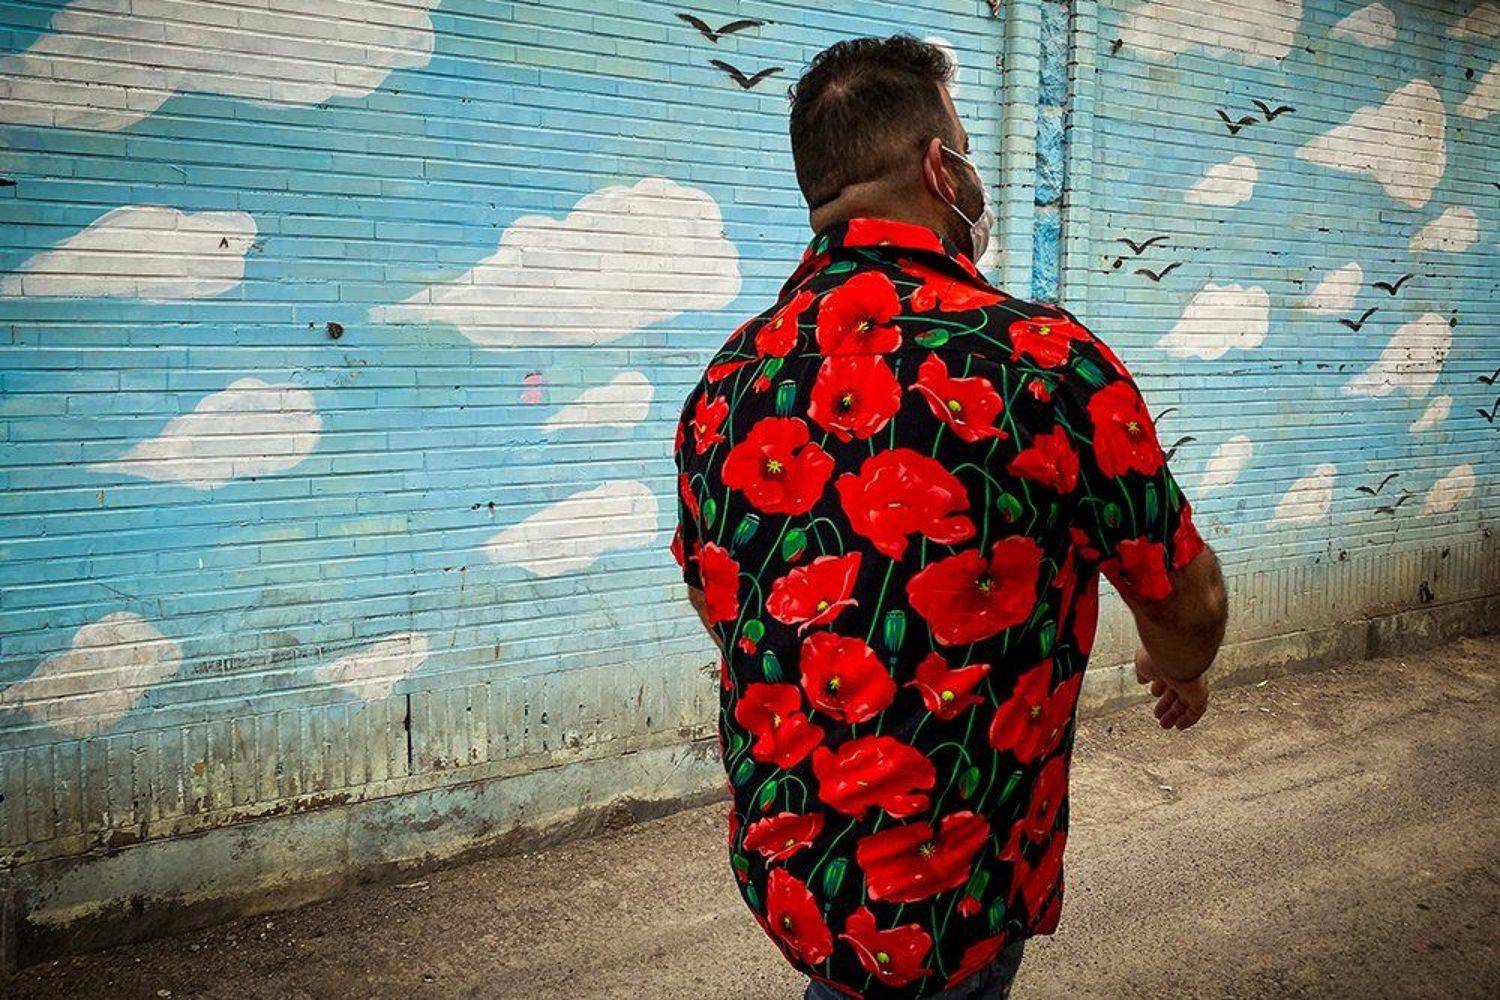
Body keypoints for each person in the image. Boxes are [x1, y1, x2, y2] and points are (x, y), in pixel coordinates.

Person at [669, 35, 1229, 1000]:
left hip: (796, 876)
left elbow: (715, 596)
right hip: (954, 891)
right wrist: (1180, 665)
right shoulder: (1040, 363)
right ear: (941, 169)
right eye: (965, 151)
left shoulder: (725, 384)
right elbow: (1188, 598)